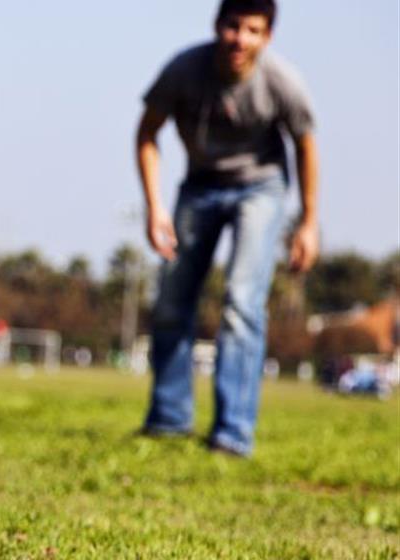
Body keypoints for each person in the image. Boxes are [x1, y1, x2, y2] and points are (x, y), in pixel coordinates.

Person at [134, 0, 319, 456]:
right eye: (233, 27)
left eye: (253, 30)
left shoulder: (281, 82)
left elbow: (306, 146)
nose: (241, 38)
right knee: (173, 298)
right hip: (199, 186)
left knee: (241, 299)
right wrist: (155, 207)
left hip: (261, 188)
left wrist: (308, 222)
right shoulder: (184, 70)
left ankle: (233, 432)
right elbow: (147, 133)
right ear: (218, 26)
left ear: (267, 36)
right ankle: (169, 419)